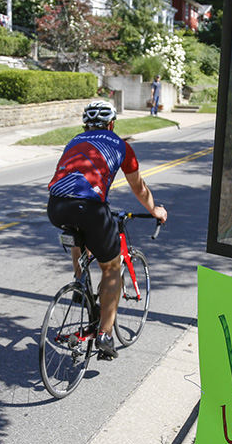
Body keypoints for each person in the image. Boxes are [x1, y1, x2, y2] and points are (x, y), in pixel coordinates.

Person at [47, 101, 168, 360]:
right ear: (112, 124)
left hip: (56, 207)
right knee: (112, 268)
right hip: (90, 208)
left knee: (79, 232)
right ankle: (105, 333)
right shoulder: (120, 145)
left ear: (85, 125)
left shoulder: (73, 142)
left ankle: (80, 280)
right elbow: (139, 188)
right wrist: (155, 209)